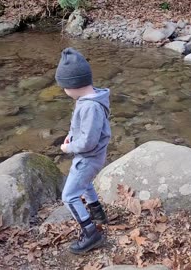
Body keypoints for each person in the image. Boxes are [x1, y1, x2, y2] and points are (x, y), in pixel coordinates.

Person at [55, 47, 111, 254]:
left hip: (88, 157)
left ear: (73, 85)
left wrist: (68, 147)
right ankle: (97, 213)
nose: (63, 91)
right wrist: (71, 134)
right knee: (85, 184)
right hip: (93, 156)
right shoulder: (89, 99)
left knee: (69, 196)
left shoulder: (90, 107)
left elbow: (88, 141)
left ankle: (91, 234)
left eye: (64, 87)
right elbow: (79, 125)